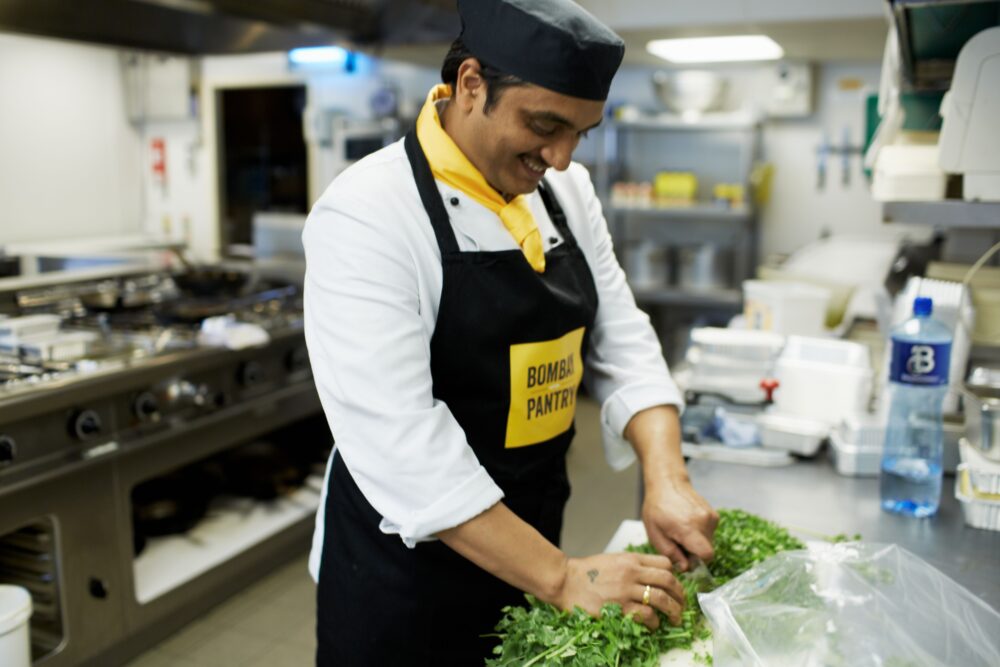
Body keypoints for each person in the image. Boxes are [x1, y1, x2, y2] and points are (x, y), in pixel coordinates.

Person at [302, 0, 718, 663]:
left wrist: (666, 477)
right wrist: (562, 575)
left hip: (530, 542)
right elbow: (402, 444)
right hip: (405, 575)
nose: (559, 157)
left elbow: (623, 335)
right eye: (545, 125)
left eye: (580, 132)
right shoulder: (368, 213)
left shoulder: (568, 191)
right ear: (471, 84)